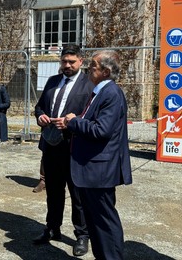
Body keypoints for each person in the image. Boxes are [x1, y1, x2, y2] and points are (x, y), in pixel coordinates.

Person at [63, 50, 132, 260]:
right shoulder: (100, 92)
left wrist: (74, 121)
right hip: (91, 170)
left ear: (106, 71)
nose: (88, 68)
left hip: (99, 172)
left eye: (93, 65)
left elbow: (101, 130)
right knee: (96, 224)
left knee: (104, 223)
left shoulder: (111, 93)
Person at [33, 44, 94, 257]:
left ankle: (82, 235)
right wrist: (40, 116)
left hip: (75, 148)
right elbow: (39, 106)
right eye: (64, 61)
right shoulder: (52, 81)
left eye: (71, 62)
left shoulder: (89, 86)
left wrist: (73, 122)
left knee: (77, 195)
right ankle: (52, 228)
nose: (67, 66)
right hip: (51, 146)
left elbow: (92, 118)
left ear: (81, 62)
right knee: (54, 192)